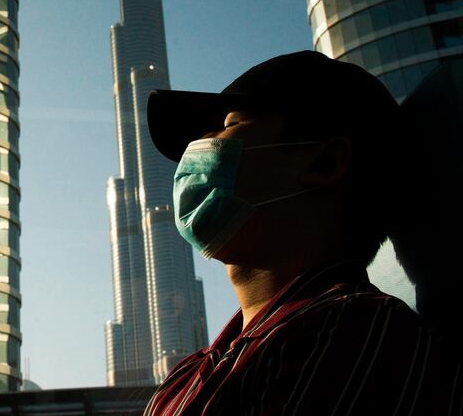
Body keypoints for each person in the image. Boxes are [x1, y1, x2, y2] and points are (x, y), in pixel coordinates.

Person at [143, 50, 462, 415]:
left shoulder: (350, 336)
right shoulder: (189, 373)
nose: (194, 153)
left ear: (324, 162)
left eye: (227, 125)